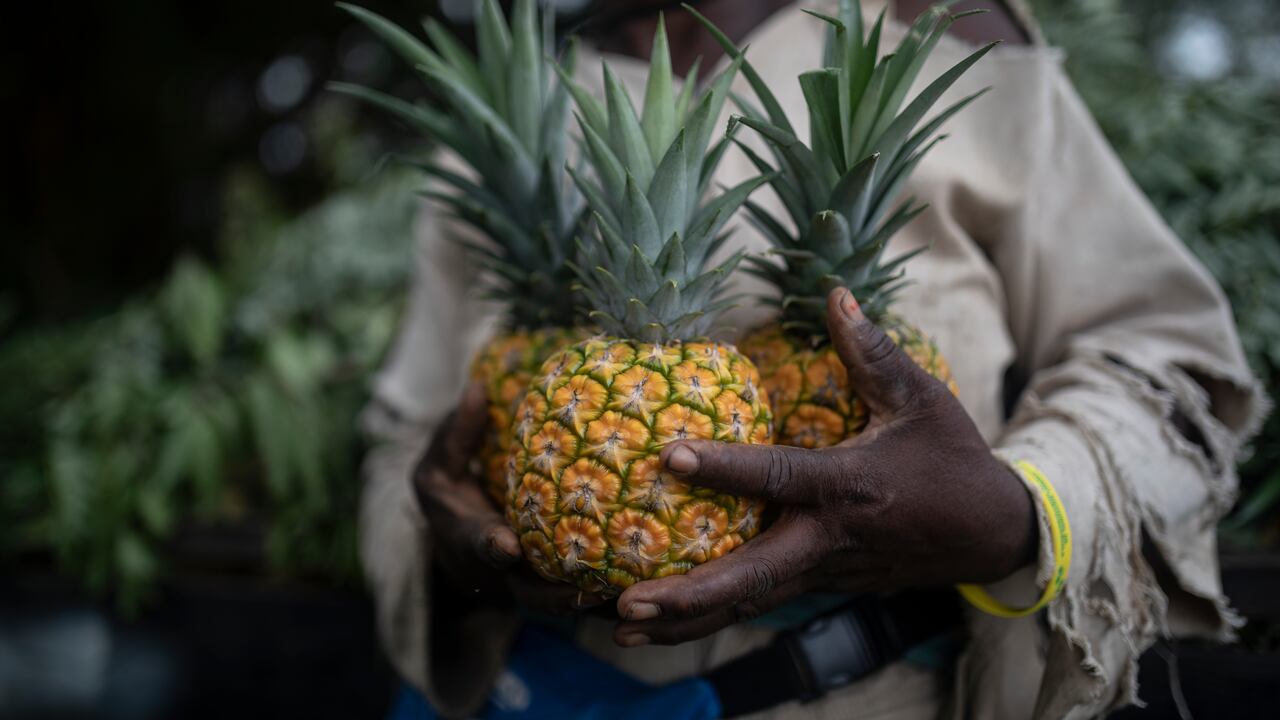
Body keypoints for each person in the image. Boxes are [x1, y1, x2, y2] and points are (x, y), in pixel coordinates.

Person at [357, 1, 1267, 717]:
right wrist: (448, 540)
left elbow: (1170, 353)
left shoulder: (951, 30)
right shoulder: (517, 102)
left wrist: (1016, 510)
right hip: (552, 689)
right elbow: (403, 441)